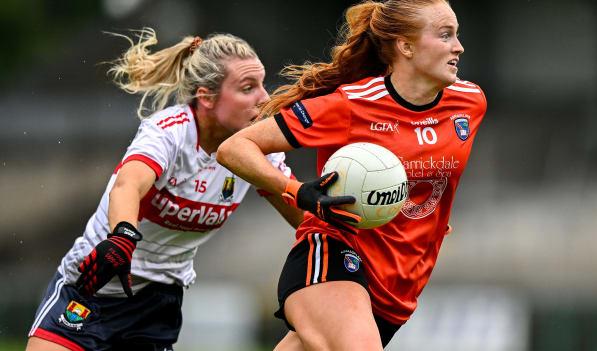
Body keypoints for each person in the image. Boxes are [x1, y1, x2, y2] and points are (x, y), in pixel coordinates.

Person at [216, 0, 487, 349]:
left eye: (457, 35)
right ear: (405, 46)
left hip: (397, 288)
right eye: (445, 35)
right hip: (333, 256)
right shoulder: (351, 104)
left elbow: (426, 179)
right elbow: (235, 148)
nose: (458, 46)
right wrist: (297, 191)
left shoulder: (470, 102)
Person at [26, 28, 302, 351]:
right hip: (92, 286)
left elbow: (302, 215)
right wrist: (122, 237)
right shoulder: (169, 132)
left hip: (156, 305)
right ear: (207, 97)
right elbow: (127, 185)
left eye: (261, 84)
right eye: (247, 88)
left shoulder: (258, 150)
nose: (265, 98)